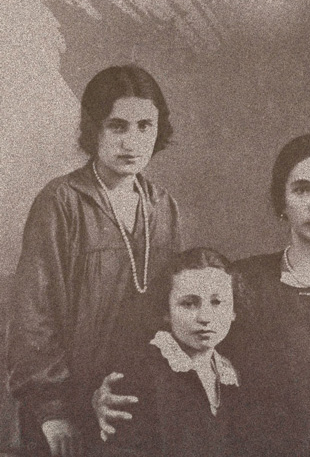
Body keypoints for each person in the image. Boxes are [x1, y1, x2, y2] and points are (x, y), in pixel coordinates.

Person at [95, 134, 310, 456]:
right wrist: (105, 394)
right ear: (282, 203)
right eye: (302, 189)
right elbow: (163, 350)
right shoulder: (243, 281)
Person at [7, 65, 182, 457]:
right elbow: (32, 316)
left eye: (144, 126)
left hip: (136, 403)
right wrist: (53, 411)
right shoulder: (61, 201)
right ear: (93, 130)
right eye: (117, 126)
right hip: (67, 414)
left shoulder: (163, 206)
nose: (131, 142)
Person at [100, 247, 240, 457]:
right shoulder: (139, 374)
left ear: (234, 311)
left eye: (217, 302)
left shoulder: (231, 374)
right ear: (166, 311)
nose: (205, 317)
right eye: (189, 304)